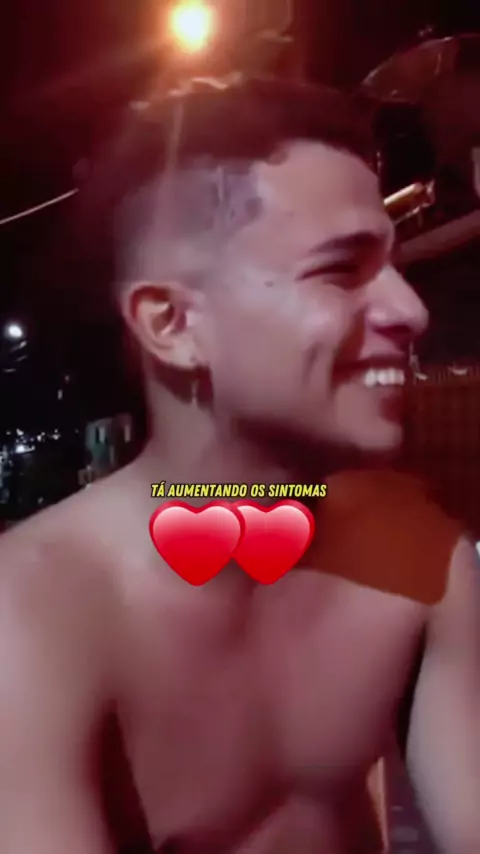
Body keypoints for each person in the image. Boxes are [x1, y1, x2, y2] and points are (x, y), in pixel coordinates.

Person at [0, 77, 478, 854]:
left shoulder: (420, 557)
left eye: (391, 265)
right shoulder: (35, 613)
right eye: (339, 270)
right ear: (173, 324)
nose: (411, 310)